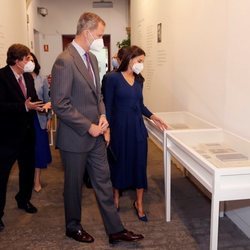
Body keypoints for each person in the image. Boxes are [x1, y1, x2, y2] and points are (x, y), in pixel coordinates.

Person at [50, 12, 144, 244]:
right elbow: (60, 104)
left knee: (104, 181)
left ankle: (115, 230)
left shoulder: (91, 59)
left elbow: (97, 94)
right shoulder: (65, 60)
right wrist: (87, 126)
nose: (100, 39)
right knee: (73, 187)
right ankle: (73, 226)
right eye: (99, 35)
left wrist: (103, 116)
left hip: (97, 134)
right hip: (74, 137)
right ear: (87, 32)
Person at [102, 45, 168, 222]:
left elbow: (140, 105)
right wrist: (107, 130)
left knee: (139, 164)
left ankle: (139, 203)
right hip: (119, 129)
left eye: (143, 62)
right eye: (140, 61)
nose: (141, 65)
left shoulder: (139, 80)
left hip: (137, 128)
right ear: (130, 59)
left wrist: (154, 117)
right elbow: (107, 106)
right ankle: (115, 197)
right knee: (118, 164)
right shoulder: (111, 78)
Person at [0, 44, 45, 232]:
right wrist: (25, 107)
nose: (30, 62)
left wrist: (42, 106)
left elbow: (32, 99)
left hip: (27, 133)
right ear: (17, 61)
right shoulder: (1, 77)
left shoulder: (27, 76)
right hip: (7, 136)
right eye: (27, 58)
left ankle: (23, 199)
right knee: (2, 176)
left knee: (27, 171)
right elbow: (1, 106)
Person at [30, 52, 52, 192]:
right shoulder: (20, 78)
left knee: (39, 150)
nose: (29, 63)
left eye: (31, 60)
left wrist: (49, 118)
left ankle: (36, 179)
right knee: (27, 150)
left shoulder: (41, 78)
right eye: (27, 60)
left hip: (39, 119)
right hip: (25, 119)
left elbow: (47, 100)